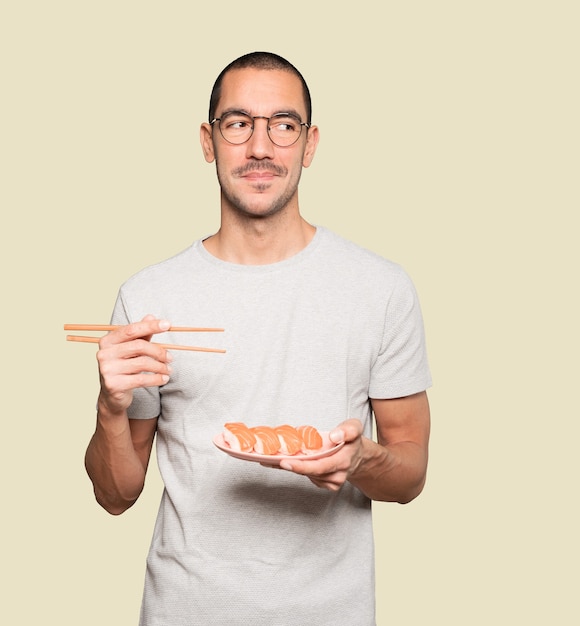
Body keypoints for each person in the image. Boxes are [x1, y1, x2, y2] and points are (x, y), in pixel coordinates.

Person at [85, 51, 432, 625]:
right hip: (185, 610)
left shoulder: (381, 288)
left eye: (284, 125)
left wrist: (360, 460)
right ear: (208, 140)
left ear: (310, 143)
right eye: (239, 123)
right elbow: (116, 495)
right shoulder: (148, 296)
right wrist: (109, 407)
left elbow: (411, 473)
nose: (261, 148)